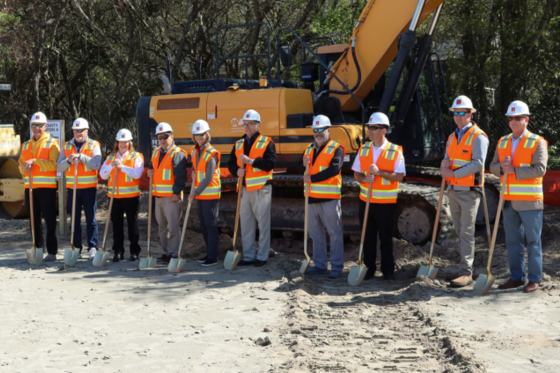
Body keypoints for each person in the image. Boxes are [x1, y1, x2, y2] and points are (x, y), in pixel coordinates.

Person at [490, 101, 548, 293]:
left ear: (526, 120)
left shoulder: (537, 141)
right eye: (510, 118)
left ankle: (535, 279)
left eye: (518, 118)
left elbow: (540, 169)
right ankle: (516, 277)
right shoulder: (503, 141)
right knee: (512, 242)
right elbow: (492, 167)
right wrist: (500, 168)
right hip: (507, 201)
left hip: (530, 201)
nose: (513, 121)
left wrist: (513, 170)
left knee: (533, 241)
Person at [440, 96, 489, 287]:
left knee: (467, 232)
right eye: (455, 113)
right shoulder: (452, 137)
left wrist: (453, 174)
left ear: (470, 114)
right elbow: (447, 160)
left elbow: (478, 164)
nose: (458, 116)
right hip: (453, 190)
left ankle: (466, 273)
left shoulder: (479, 137)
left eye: (462, 113)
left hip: (469, 191)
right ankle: (465, 269)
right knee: (460, 232)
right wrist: (444, 167)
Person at [352, 112, 405, 280]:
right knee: (367, 237)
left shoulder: (395, 150)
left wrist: (379, 173)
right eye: (369, 127)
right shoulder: (364, 148)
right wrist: (364, 179)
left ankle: (388, 271)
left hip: (385, 203)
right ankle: (368, 269)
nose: (370, 130)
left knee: (385, 238)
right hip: (366, 201)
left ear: (383, 130)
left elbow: (399, 176)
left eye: (373, 128)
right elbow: (356, 174)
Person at [297, 115, 345, 279]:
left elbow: (334, 169)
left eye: (320, 130)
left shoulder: (336, 148)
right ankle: (320, 265)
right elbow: (300, 169)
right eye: (315, 130)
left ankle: (337, 267)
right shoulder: (309, 149)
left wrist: (313, 178)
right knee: (315, 234)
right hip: (311, 199)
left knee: (334, 234)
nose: (317, 133)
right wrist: (302, 164)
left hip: (330, 199)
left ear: (328, 130)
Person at [227, 109, 276, 267]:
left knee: (263, 224)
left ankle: (262, 256)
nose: (247, 127)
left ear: (258, 125)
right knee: (246, 224)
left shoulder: (267, 142)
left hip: (261, 188)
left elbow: (270, 165)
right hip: (244, 188)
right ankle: (248, 256)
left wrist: (251, 161)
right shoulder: (238, 143)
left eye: (250, 124)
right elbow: (231, 164)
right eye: (245, 124)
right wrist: (236, 171)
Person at [57, 118, 102, 259]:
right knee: (75, 220)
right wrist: (69, 160)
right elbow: (59, 166)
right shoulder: (66, 146)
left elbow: (96, 164)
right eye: (75, 131)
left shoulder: (94, 145)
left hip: (89, 189)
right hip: (73, 189)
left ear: (86, 131)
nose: (78, 133)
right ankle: (76, 248)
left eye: (80, 130)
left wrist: (81, 157)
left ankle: (93, 247)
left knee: (91, 220)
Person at [19, 112, 60, 261]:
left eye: (40, 126)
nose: (37, 129)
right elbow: (20, 165)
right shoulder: (26, 145)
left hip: (46, 188)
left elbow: (53, 165)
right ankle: (37, 249)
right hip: (30, 188)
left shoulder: (52, 143)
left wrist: (35, 161)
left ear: (45, 126)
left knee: (49, 220)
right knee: (34, 221)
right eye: (34, 126)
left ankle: (52, 252)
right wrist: (24, 167)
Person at [99, 129, 144, 262]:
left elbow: (137, 173)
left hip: (131, 196)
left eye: (125, 142)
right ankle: (118, 251)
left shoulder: (136, 156)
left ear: (130, 143)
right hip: (114, 197)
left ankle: (134, 251)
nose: (123, 144)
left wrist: (122, 167)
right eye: (120, 142)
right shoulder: (110, 157)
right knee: (116, 225)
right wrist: (111, 166)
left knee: (132, 224)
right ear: (117, 143)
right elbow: (103, 175)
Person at [147, 122, 188, 263]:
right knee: (162, 228)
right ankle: (166, 252)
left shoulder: (178, 154)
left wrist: (176, 193)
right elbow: (153, 171)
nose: (162, 140)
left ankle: (173, 253)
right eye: (159, 137)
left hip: (171, 198)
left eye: (165, 137)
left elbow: (181, 176)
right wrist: (148, 173)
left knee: (173, 227)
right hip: (158, 197)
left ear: (172, 136)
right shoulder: (155, 152)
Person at [189, 120, 221, 267]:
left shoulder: (211, 153)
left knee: (211, 225)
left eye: (201, 134)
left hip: (210, 194)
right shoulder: (195, 151)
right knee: (203, 225)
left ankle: (213, 257)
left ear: (207, 134)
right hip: (201, 195)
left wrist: (194, 193)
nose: (199, 137)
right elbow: (199, 171)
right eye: (196, 135)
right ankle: (209, 253)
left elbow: (208, 177)